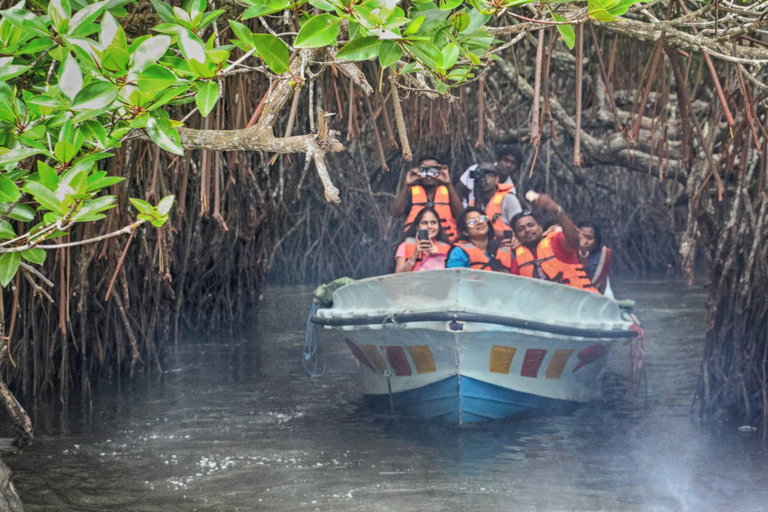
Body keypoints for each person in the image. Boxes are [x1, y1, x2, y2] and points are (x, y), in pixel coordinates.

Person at [510, 193, 598, 293]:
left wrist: (556, 209)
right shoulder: (517, 259)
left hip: (580, 302)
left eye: (531, 225)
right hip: (547, 306)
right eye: (521, 229)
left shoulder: (554, 241)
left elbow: (574, 242)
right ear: (516, 236)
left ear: (540, 228)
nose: (527, 230)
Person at [391, 156, 463, 241]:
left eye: (433, 170)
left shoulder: (448, 192)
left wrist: (448, 183)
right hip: (416, 243)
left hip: (446, 244)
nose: (429, 174)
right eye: (424, 170)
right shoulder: (411, 193)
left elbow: (461, 215)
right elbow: (395, 213)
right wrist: (407, 184)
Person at [446, 207, 512, 272]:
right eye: (472, 222)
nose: (479, 222)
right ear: (465, 232)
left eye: (482, 218)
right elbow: (454, 279)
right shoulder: (459, 252)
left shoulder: (503, 248)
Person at [456, 146, 522, 207]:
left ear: (517, 168)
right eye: (506, 160)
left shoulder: (510, 190)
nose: (508, 165)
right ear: (498, 160)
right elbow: (459, 192)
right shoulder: (477, 171)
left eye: (513, 163)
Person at [470, 162, 523, 236]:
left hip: (506, 244)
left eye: (487, 176)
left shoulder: (508, 198)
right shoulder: (474, 204)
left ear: (496, 180)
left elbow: (521, 227)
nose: (482, 180)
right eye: (480, 177)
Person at [395, 208, 452, 273]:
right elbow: (398, 277)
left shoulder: (447, 248)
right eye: (425, 223)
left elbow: (452, 276)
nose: (430, 226)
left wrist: (438, 256)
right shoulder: (404, 246)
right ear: (417, 227)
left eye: (433, 222)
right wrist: (414, 255)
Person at [578, 222, 612, 294]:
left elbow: (586, 279)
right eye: (581, 237)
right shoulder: (568, 251)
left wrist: (583, 250)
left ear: (596, 242)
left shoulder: (599, 257)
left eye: (589, 238)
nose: (585, 241)